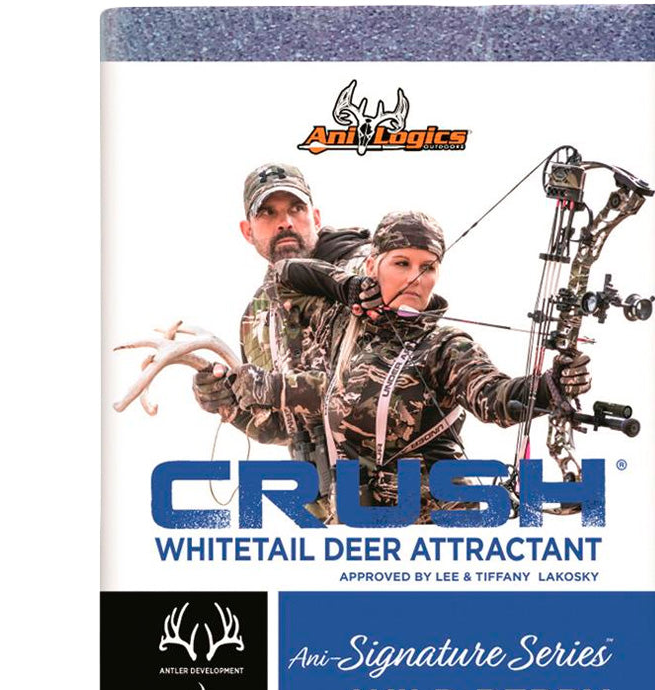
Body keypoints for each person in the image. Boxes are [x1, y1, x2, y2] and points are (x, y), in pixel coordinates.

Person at [226, 211, 591, 521]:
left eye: (427, 267)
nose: (415, 278)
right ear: (373, 265)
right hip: (359, 531)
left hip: (436, 535)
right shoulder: (340, 324)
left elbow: (495, 397)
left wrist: (551, 386)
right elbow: (282, 276)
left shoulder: (445, 346)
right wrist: (346, 287)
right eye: (401, 263)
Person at [191, 163, 372, 498]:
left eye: (296, 209)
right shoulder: (255, 318)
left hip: (411, 491)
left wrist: (274, 387)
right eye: (268, 213)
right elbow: (282, 427)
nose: (285, 222)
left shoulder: (364, 275)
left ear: (315, 218)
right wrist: (231, 402)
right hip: (329, 506)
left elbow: (390, 386)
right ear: (247, 231)